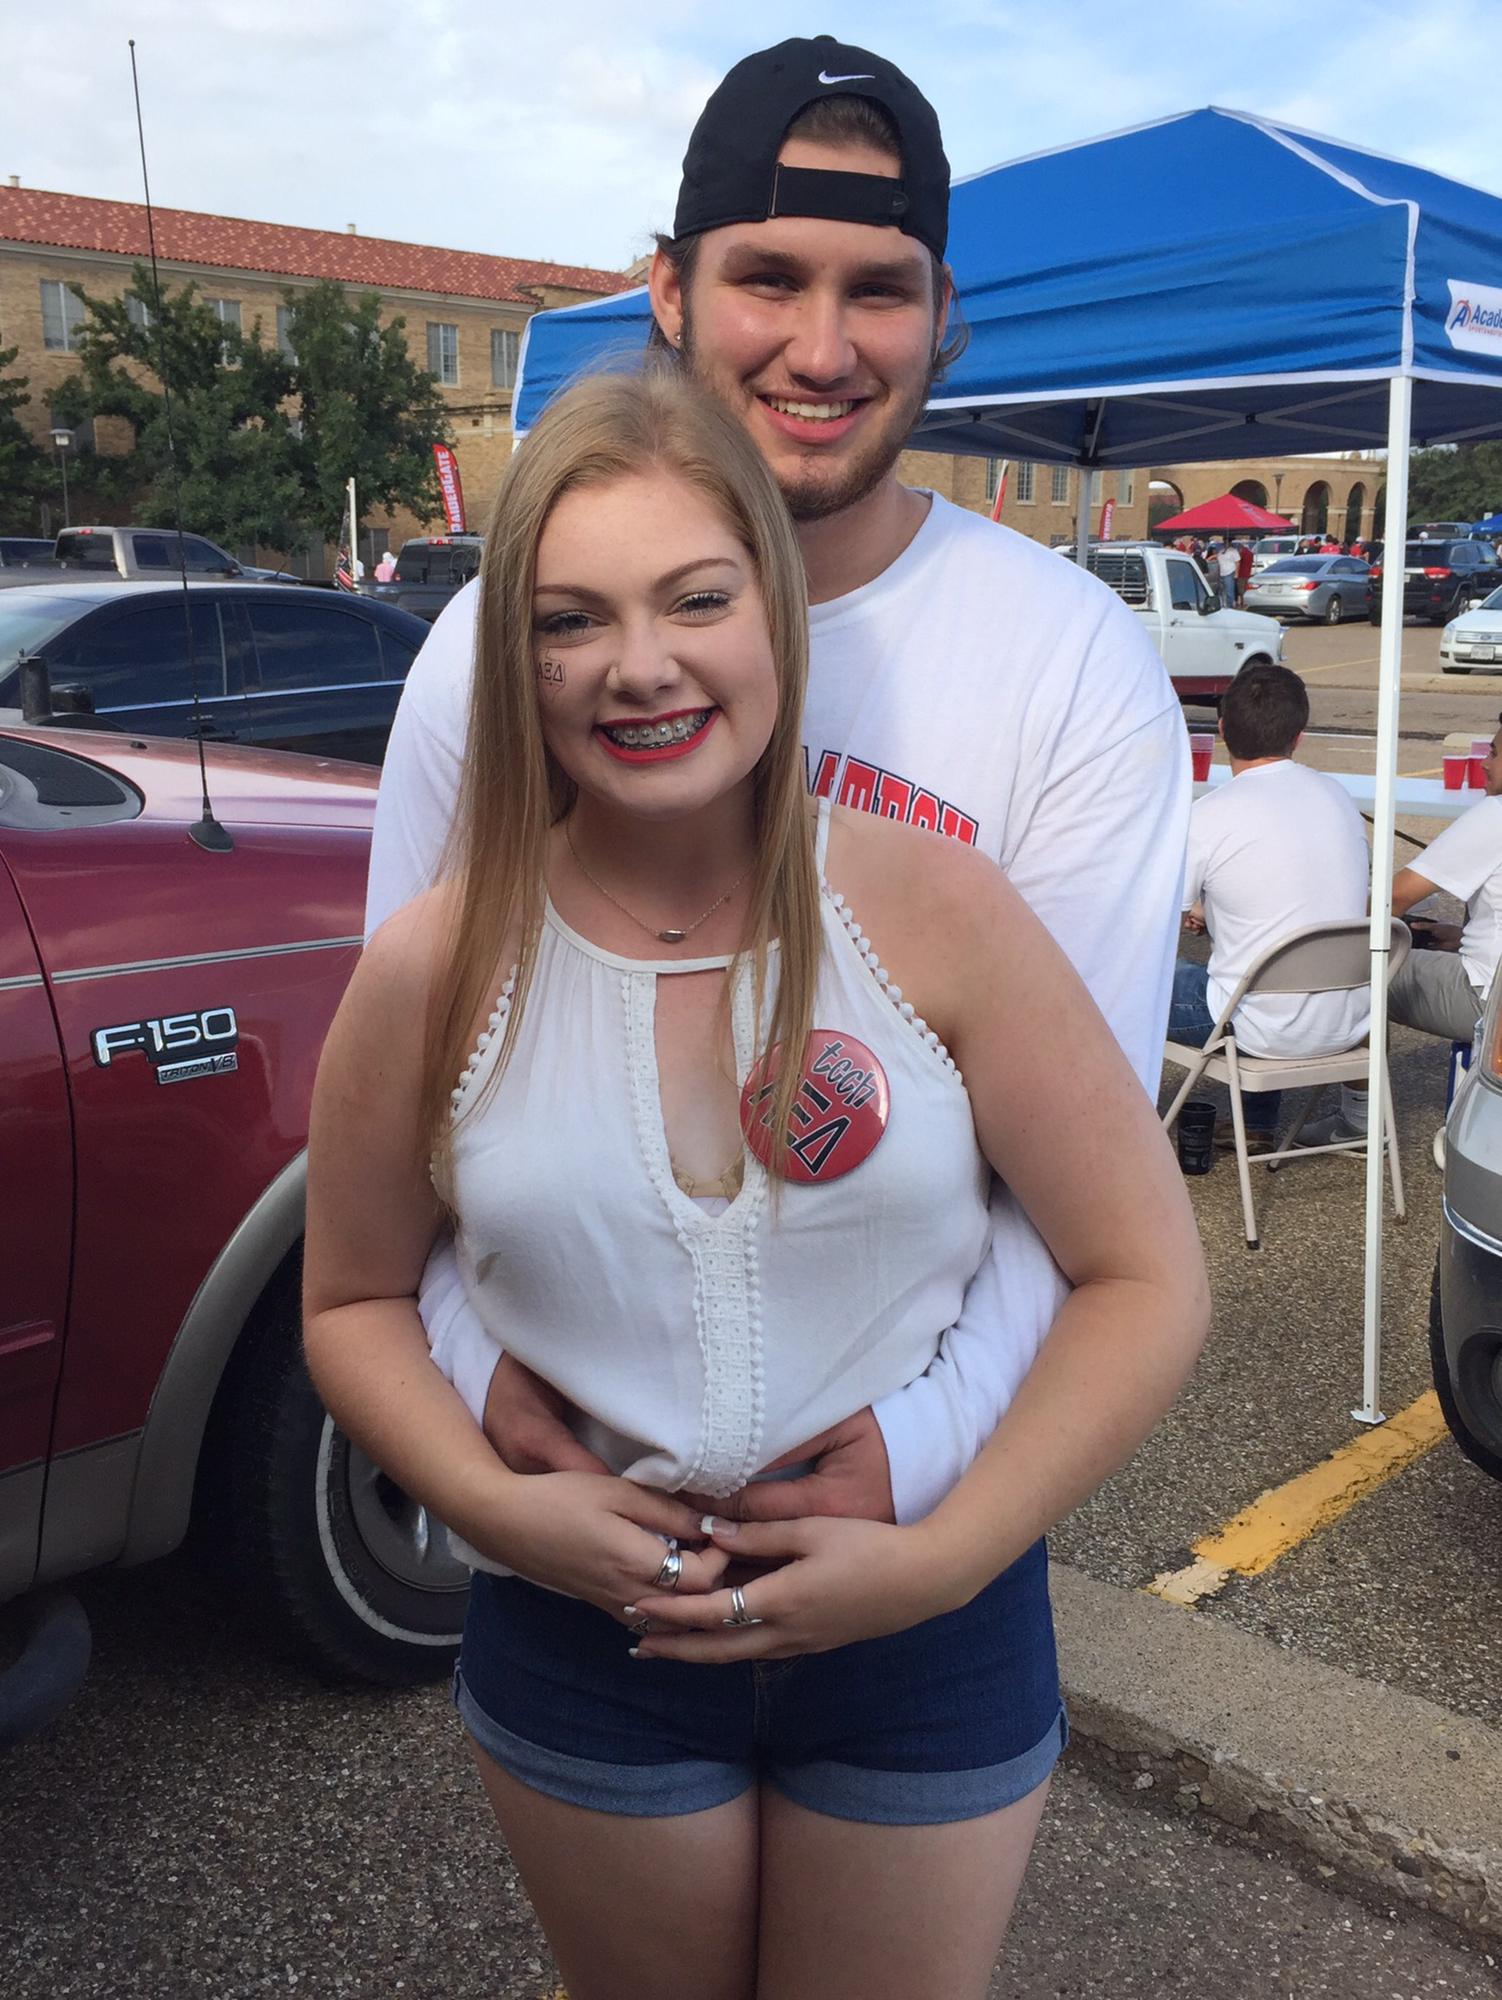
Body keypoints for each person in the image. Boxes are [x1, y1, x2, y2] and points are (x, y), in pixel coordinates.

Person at [305, 367, 1208, 1999]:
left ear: (774, 613)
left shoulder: (935, 912)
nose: (637, 666)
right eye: (571, 619)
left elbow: (1144, 1275)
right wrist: (493, 1505)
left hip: (926, 1636)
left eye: (694, 598)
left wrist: (940, 1556)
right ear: (517, 656)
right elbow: (354, 1294)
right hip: (589, 1644)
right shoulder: (437, 965)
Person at [365, 33, 1193, 1547]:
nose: (821, 351)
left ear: (939, 316)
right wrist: (480, 1374)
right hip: (587, 1523)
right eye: (769, 278)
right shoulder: (488, 653)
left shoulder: (1072, 662)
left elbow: (1080, 1176)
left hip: (912, 1511)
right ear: (670, 291)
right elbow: (415, 1102)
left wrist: (922, 1454)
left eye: (876, 291)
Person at [1175, 664, 1370, 1151]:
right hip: (1348, 1018)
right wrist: (1213, 910)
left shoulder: (1208, 816)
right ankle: (1256, 1123)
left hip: (1256, 1028)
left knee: (1128, 977)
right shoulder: (1338, 797)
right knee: (1255, 967)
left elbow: (1153, 921)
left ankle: (1113, 1126)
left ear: (1221, 731)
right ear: (1298, 737)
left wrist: (1196, 909)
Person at [1310, 717, 1502, 1144]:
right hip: (1493, 980)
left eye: (1493, 753)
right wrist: (1462, 935)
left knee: (1356, 971)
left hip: (1489, 1001)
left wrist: (1311, 929)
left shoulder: (1495, 815)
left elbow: (1392, 899)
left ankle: (1358, 1122)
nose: (1484, 764)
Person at [1215, 539, 1240, 607]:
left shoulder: (1233, 551)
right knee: (1221, 591)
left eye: (1227, 542)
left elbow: (1237, 562)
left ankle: (1230, 606)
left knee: (1229, 591)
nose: (1225, 543)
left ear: (1229, 542)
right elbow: (1218, 561)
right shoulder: (1221, 551)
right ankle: (1222, 605)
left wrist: (1236, 574)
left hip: (1229, 572)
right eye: (1224, 542)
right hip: (1221, 573)